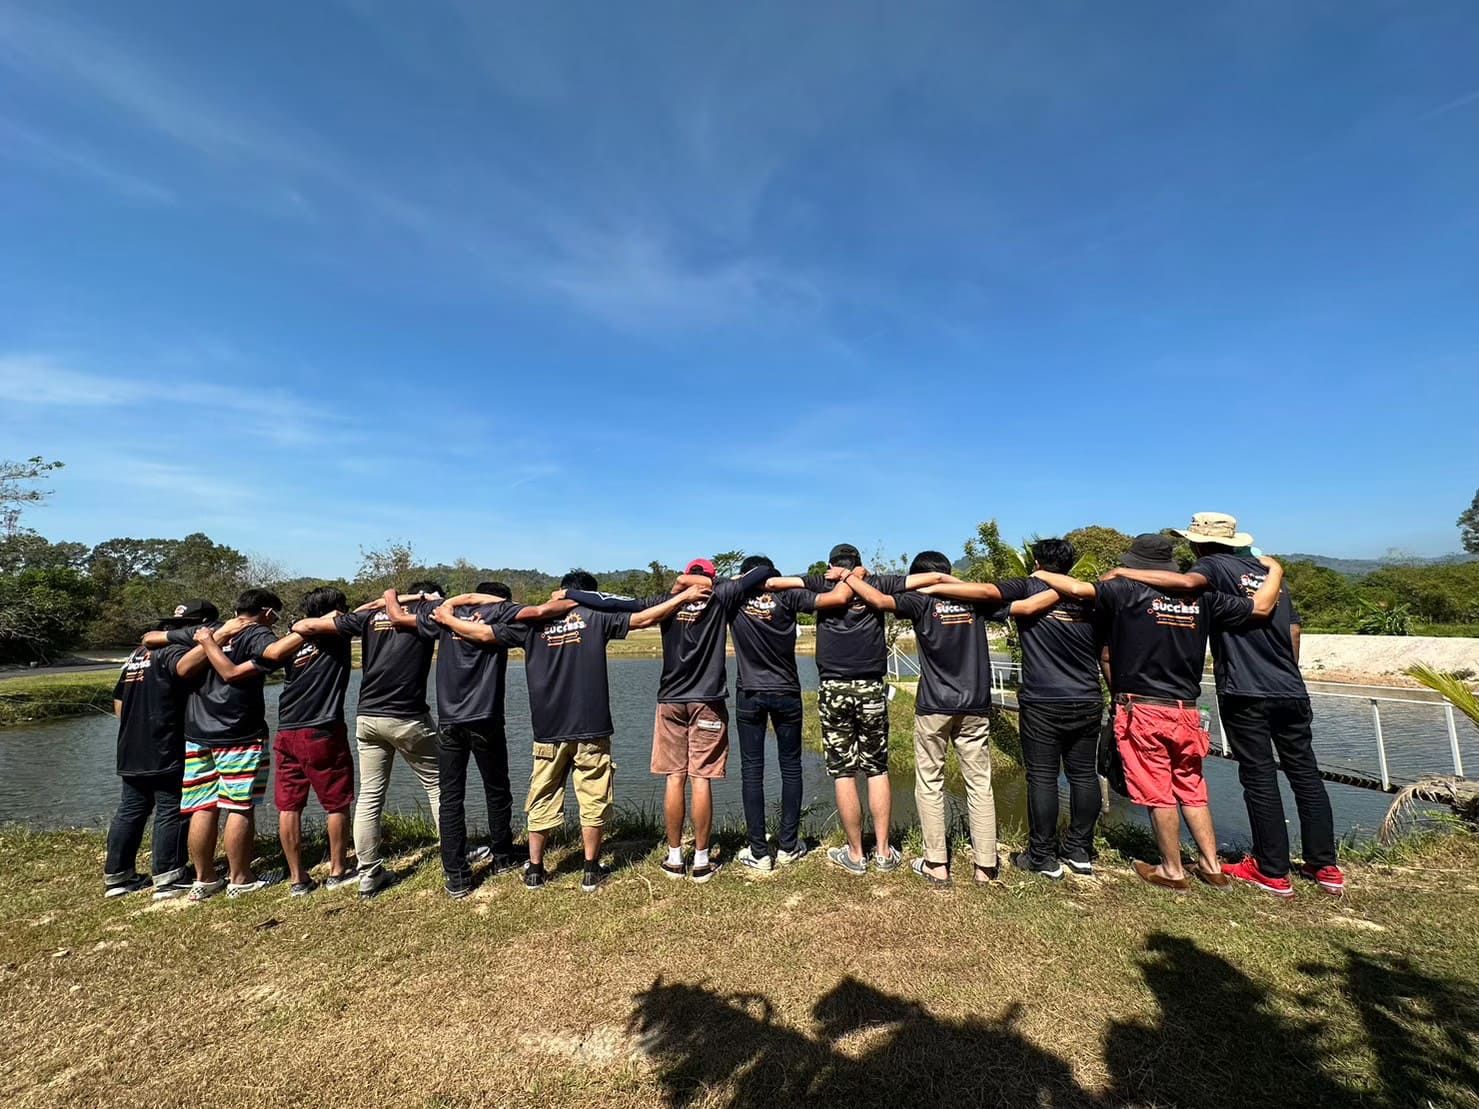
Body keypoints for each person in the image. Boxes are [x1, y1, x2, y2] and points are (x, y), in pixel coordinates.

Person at [1104, 512, 1344, 898]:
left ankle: (1272, 869)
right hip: (1290, 688)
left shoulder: (1212, 567)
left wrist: (1123, 574)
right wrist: (1285, 669)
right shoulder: (1269, 576)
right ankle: (1325, 865)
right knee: (1305, 775)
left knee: (1259, 777)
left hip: (1245, 688)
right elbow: (1294, 630)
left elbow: (1186, 585)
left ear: (1199, 543)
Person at [1032, 535, 1285, 892]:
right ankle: (1211, 866)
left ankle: (1171, 869)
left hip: (1143, 708)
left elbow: (1076, 589)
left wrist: (1041, 575)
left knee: (1157, 791)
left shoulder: (1125, 590)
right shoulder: (1204, 597)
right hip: (1187, 710)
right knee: (1192, 788)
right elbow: (1260, 608)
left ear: (1135, 562)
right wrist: (1276, 570)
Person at [434, 573, 706, 892]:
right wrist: (681, 598)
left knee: (542, 797)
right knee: (593, 797)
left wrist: (449, 619)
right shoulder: (596, 616)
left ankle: (535, 870)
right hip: (591, 726)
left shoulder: (534, 621)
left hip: (548, 728)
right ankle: (591, 870)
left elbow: (482, 634)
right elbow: (645, 618)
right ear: (590, 595)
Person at [561, 557, 772, 882]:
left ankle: (675, 858)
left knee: (675, 777)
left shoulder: (667, 600)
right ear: (712, 577)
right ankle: (701, 860)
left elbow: (615, 602)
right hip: (708, 700)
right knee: (700, 779)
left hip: (671, 701)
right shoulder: (722, 594)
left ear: (687, 576)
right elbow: (762, 572)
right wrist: (715, 585)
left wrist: (570, 595)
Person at [922, 538, 1103, 880]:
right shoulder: (1090, 595)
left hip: (1043, 700)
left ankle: (1042, 856)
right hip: (1089, 697)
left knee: (1043, 777)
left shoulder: (1029, 585)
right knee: (1083, 774)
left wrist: (937, 585)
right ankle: (1079, 851)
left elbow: (986, 592)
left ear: (1036, 562)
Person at [850, 552, 1028, 887]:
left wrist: (848, 576)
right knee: (980, 785)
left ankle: (936, 864)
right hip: (975, 704)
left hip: (934, 705)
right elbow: (1019, 604)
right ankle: (985, 867)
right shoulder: (976, 601)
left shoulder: (919, 602)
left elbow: (878, 600)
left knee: (930, 783)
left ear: (919, 577)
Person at [768, 544, 948, 875]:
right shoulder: (877, 582)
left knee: (843, 772)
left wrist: (829, 579)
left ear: (831, 566)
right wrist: (858, 577)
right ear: (860, 564)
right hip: (871, 687)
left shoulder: (821, 583)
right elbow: (929, 579)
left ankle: (855, 854)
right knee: (877, 769)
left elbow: (775, 583)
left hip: (833, 687)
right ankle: (883, 853)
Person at [293, 580, 445, 898]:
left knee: (370, 796)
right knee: (438, 785)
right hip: (407, 716)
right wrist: (423, 599)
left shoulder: (371, 616)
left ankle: (368, 874)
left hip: (368, 716)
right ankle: (453, 857)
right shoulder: (429, 610)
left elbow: (304, 625)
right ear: (432, 596)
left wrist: (386, 600)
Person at [383, 581, 527, 898]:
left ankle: (457, 875)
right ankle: (503, 855)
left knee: (450, 797)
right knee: (497, 790)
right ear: (500, 600)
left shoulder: (444, 616)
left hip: (449, 721)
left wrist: (390, 595)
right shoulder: (501, 616)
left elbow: (398, 618)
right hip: (486, 718)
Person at [177, 589, 297, 900]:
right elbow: (273, 653)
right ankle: (240, 879)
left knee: (202, 806)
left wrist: (211, 639)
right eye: (275, 617)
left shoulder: (213, 630)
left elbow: (182, 668)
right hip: (238, 732)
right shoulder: (256, 632)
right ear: (267, 612)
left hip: (198, 733)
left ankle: (204, 879)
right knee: (239, 806)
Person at [103, 599, 218, 900]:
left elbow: (118, 699)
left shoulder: (137, 654)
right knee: (172, 807)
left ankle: (118, 876)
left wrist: (133, 728)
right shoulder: (175, 651)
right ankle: (169, 876)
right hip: (165, 742)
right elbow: (186, 671)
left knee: (132, 808)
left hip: (131, 745)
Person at [726, 555, 816, 872]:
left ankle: (759, 852)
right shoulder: (788, 596)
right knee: (791, 768)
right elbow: (822, 594)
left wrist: (743, 581)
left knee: (752, 771)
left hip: (749, 693)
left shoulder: (734, 598)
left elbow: (708, 585)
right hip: (787, 692)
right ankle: (788, 846)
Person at [271, 587, 356, 896]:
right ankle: (337, 871)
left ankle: (298, 879)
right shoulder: (335, 634)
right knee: (337, 803)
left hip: (286, 729)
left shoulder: (294, 640)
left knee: (289, 806)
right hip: (322, 728)